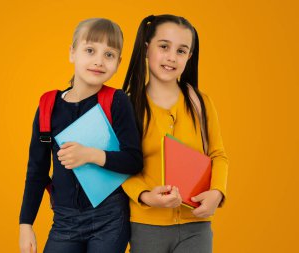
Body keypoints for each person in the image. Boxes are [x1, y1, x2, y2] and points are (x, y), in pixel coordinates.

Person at [19, 18, 143, 253]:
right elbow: (36, 171)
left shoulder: (117, 101)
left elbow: (134, 161)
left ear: (118, 63)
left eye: (109, 54)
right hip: (64, 221)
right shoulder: (48, 106)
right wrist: (26, 224)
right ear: (72, 53)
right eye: (90, 50)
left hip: (110, 218)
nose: (99, 61)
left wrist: (91, 155)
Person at [122, 14, 228, 253]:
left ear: (189, 57)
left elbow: (218, 154)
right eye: (164, 46)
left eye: (182, 51)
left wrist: (217, 192)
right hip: (146, 225)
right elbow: (119, 166)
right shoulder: (127, 106)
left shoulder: (202, 102)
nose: (172, 57)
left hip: (196, 226)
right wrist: (146, 196)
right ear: (147, 49)